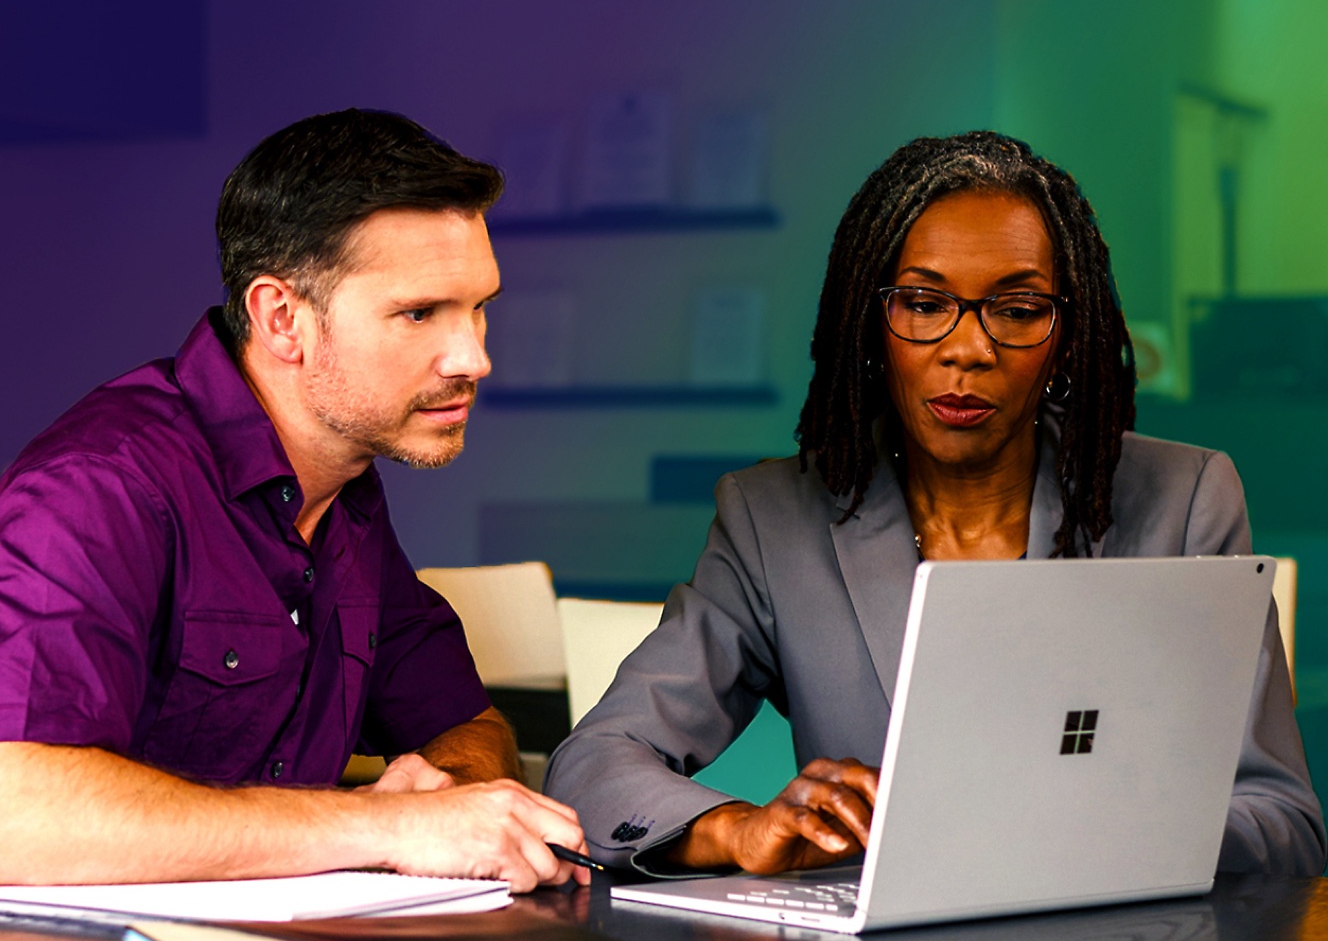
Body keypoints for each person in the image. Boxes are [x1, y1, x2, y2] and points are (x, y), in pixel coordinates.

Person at [544, 131, 1327, 878]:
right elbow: (595, 762)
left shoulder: (1184, 502)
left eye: (1017, 310)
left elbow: (1283, 822)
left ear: (1065, 334)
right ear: (870, 324)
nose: (968, 347)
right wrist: (738, 830)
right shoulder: (773, 519)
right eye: (923, 303)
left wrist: (1093, 834)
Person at [0, 109, 588, 892]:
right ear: (282, 319)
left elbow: (465, 724)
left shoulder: (344, 498)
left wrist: (447, 796)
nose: (475, 356)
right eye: (420, 313)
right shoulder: (100, 486)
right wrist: (387, 826)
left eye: (478, 306)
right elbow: (18, 811)